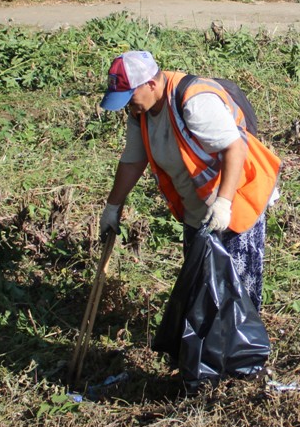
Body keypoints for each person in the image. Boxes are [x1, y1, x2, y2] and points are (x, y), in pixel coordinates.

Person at [97, 51, 280, 309]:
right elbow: (132, 161)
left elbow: (235, 148)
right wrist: (112, 206)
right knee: (201, 296)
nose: (128, 105)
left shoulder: (194, 102)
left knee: (238, 301)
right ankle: (206, 350)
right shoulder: (141, 111)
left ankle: (241, 350)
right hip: (198, 212)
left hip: (237, 204)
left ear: (151, 84)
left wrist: (223, 204)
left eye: (130, 97)